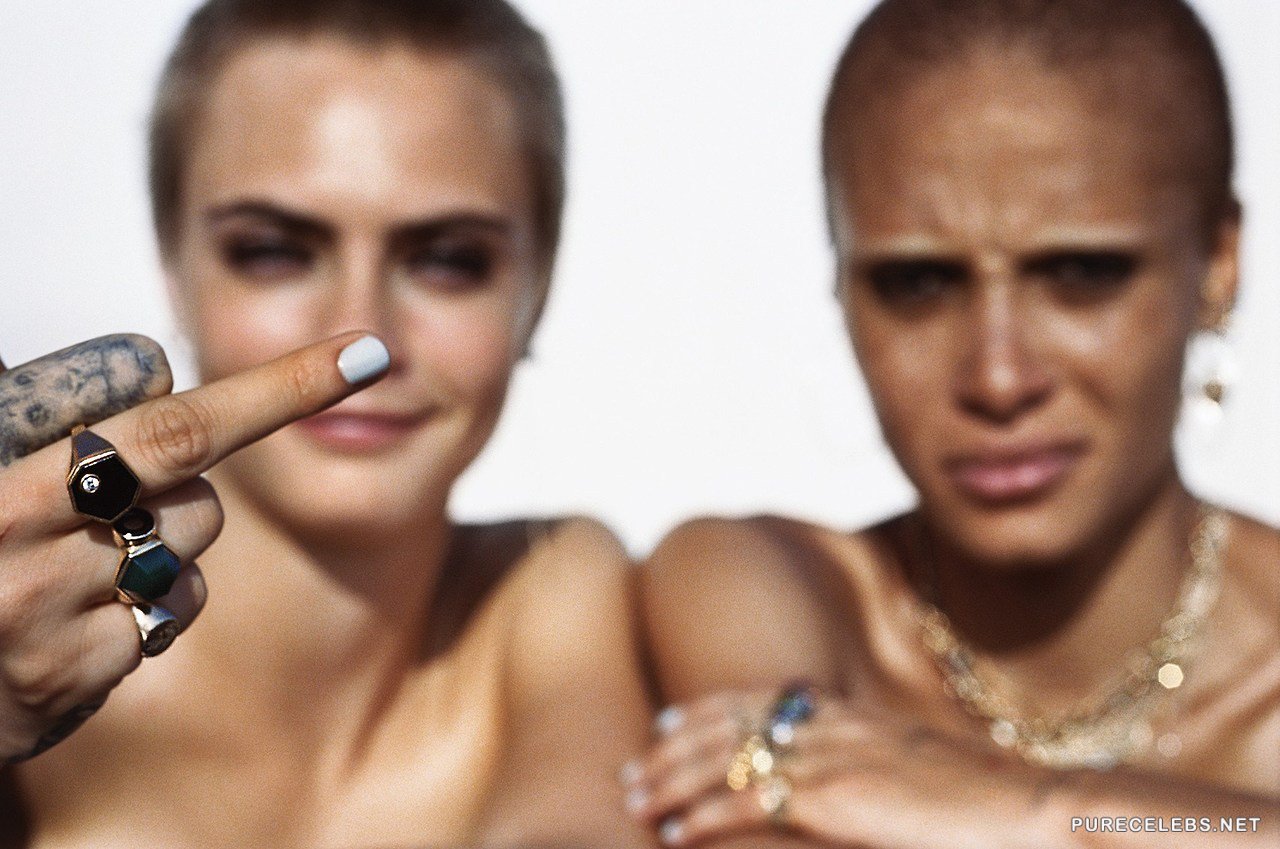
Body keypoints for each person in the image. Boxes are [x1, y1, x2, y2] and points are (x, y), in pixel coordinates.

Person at [626, 0, 1279, 846]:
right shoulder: (776, 596)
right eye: (919, 283)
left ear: (1218, 262)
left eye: (1082, 272)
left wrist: (1028, 802)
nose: (999, 378)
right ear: (840, 281)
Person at [1, 1, 652, 846]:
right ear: (172, 258)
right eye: (273, 250)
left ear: (541, 283)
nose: (361, 335)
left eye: (449, 260)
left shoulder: (558, 589)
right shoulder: (25, 652)